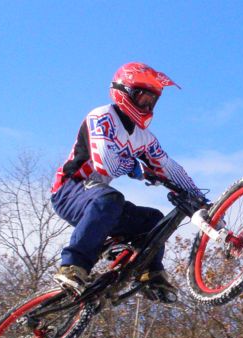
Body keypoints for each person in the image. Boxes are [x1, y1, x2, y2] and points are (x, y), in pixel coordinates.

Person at [50, 62, 203, 302]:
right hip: (69, 190)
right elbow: (106, 164)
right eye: (143, 99)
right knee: (111, 199)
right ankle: (72, 266)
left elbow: (169, 167)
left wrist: (200, 200)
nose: (147, 107)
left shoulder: (144, 138)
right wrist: (138, 169)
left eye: (152, 102)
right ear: (125, 92)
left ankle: (148, 273)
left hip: (99, 200)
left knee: (154, 221)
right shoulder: (102, 116)